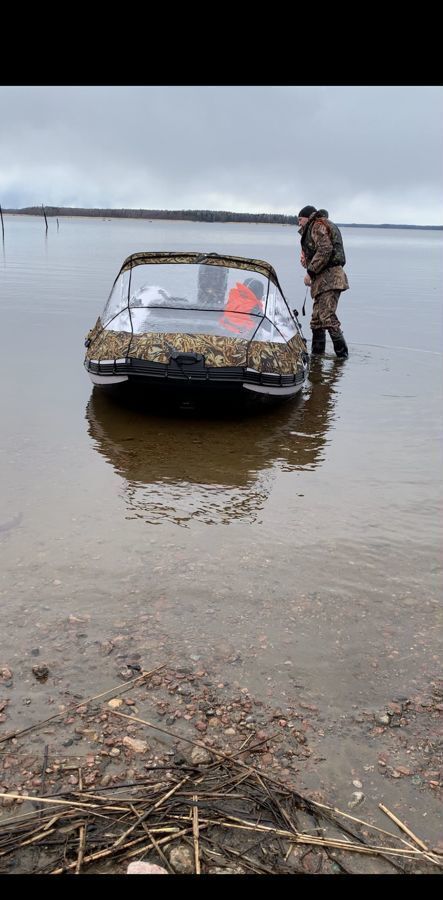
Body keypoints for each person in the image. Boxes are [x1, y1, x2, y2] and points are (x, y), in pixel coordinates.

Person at [298, 205, 349, 358]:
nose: (299, 224)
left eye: (300, 220)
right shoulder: (317, 226)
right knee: (316, 320)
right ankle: (317, 357)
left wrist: (310, 271)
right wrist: (307, 262)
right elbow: (322, 252)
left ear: (307, 217)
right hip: (323, 279)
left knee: (327, 317)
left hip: (331, 278)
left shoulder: (317, 226)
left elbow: (325, 250)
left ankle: (342, 356)